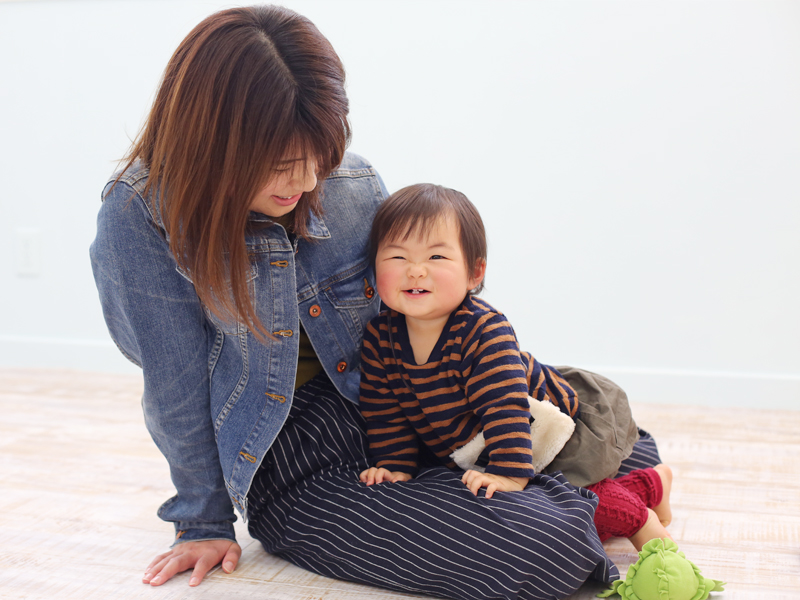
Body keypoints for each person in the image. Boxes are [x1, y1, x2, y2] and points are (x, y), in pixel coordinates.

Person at [90, 6, 662, 599]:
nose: (309, 182)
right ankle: (601, 500)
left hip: (407, 408)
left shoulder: (350, 184)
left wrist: (497, 383)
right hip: (292, 456)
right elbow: (173, 385)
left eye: (320, 157)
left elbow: (426, 311)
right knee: (545, 547)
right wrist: (202, 522)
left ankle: (599, 489)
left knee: (603, 419)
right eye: (284, 165)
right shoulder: (140, 219)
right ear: (216, 146)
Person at [359, 183, 673, 551]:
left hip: (546, 425)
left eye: (437, 258)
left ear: (475, 273)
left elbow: (504, 405)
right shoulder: (380, 337)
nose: (415, 271)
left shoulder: (483, 329)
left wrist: (508, 473)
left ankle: (642, 521)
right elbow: (385, 410)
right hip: (479, 444)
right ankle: (654, 482)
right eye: (397, 257)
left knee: (567, 497)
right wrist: (395, 464)